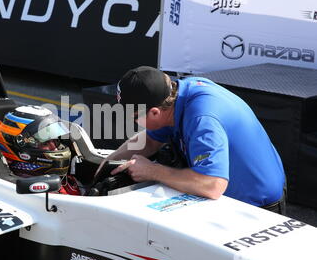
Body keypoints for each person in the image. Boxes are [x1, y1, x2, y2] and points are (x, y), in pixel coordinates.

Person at [98, 66, 286, 214]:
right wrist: (107, 164)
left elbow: (212, 184)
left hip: (257, 206)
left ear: (154, 112)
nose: (133, 122)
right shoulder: (177, 94)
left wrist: (151, 171)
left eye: (133, 117)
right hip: (234, 196)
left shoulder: (201, 119)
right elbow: (150, 141)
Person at [0, 105, 80, 195]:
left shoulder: (65, 180)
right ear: (20, 147)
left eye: (55, 141)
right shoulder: (32, 191)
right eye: (45, 143)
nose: (54, 148)